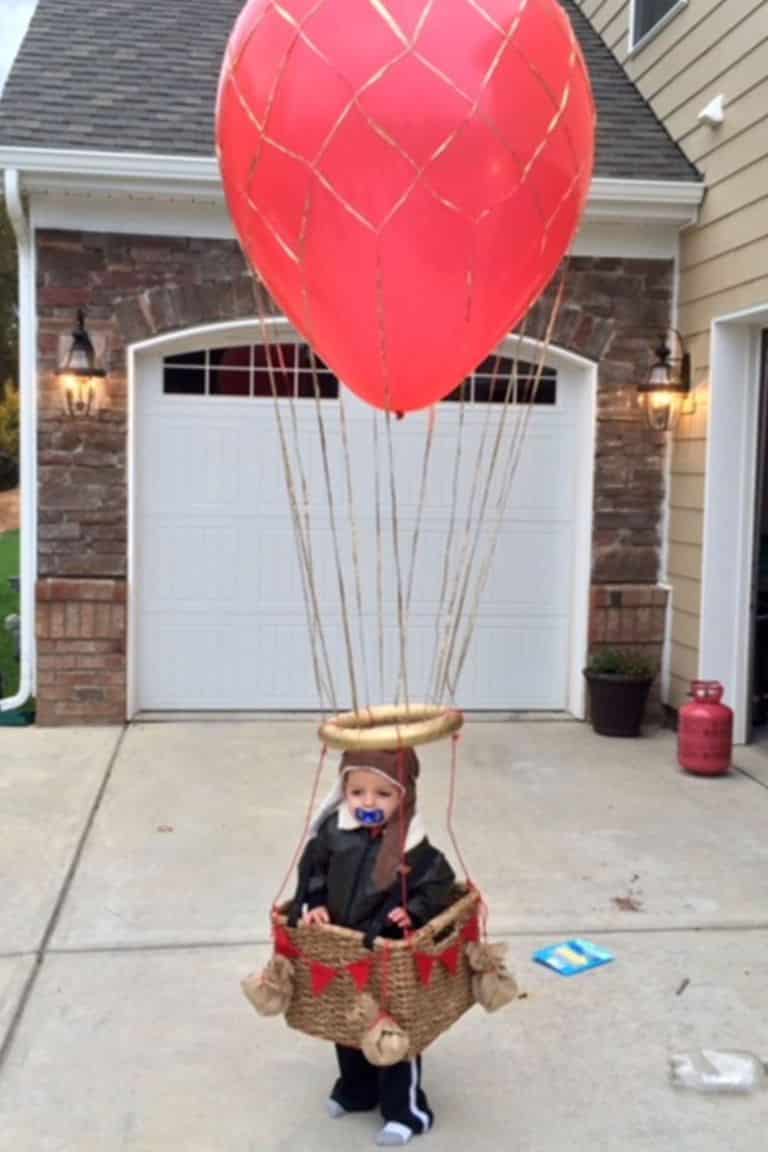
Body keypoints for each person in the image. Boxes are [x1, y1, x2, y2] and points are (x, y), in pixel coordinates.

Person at [289, 747, 456, 1147]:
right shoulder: (333, 833)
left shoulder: (413, 847)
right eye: (357, 791)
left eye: (383, 794)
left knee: (393, 1033)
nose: (368, 802)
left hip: (386, 951)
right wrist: (313, 904)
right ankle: (356, 1090)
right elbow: (313, 872)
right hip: (342, 949)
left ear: (404, 797)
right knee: (345, 1023)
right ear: (343, 790)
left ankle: (408, 1111)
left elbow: (439, 885)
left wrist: (411, 911)